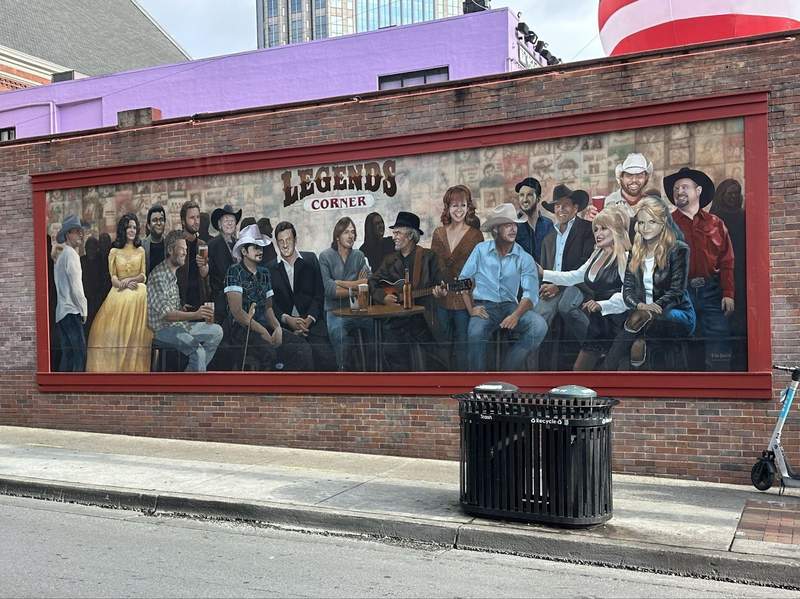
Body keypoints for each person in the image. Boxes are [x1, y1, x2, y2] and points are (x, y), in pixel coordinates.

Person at [604, 197, 696, 370]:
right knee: (632, 321)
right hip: (641, 312)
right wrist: (640, 305)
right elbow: (628, 290)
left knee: (636, 320)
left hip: (675, 313)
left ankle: (607, 372)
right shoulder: (636, 251)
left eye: (652, 222)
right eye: (641, 222)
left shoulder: (678, 249)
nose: (645, 228)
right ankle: (634, 353)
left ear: (662, 223)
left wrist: (652, 308)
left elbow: (677, 291)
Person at [540, 206, 630, 370]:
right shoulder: (597, 255)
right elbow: (573, 276)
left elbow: (628, 297)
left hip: (617, 324)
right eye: (595, 229)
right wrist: (543, 273)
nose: (598, 233)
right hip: (597, 324)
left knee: (611, 374)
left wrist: (603, 305)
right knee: (580, 371)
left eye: (604, 228)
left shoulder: (625, 258)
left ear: (617, 230)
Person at [460, 203, 548, 371]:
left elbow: (530, 296)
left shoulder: (524, 257)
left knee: (539, 326)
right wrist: (471, 309)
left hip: (510, 307)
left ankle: (508, 369)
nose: (513, 229)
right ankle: (477, 382)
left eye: (514, 224)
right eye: (508, 225)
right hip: (484, 306)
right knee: (475, 333)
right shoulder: (480, 250)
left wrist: (515, 315)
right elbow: (464, 280)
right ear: (496, 230)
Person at [666, 167, 735, 371]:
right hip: (679, 292)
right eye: (676, 188)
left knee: (719, 339)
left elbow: (727, 261)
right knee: (681, 343)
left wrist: (729, 293)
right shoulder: (666, 225)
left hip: (711, 292)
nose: (679, 191)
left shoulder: (716, 224)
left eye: (685, 187)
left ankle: (722, 389)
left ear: (698, 191)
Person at [223, 224, 312, 371]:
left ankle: (298, 390)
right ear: (244, 251)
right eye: (255, 247)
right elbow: (237, 312)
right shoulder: (234, 272)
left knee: (302, 347)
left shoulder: (265, 273)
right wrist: (262, 331)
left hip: (265, 325)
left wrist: (277, 328)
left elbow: (268, 308)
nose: (260, 251)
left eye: (261, 247)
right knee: (269, 353)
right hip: (242, 330)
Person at [369, 211, 447, 371]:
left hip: (423, 318)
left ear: (410, 236)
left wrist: (441, 292)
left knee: (434, 358)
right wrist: (383, 297)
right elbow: (372, 282)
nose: (393, 236)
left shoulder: (428, 257)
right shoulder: (390, 260)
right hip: (396, 320)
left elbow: (441, 283)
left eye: (398, 232)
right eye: (394, 232)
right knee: (391, 350)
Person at [147, 230, 223, 372]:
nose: (185, 253)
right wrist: (196, 315)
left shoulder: (172, 273)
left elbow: (169, 306)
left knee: (217, 331)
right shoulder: (159, 276)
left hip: (178, 325)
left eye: (186, 250)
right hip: (162, 330)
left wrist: (182, 308)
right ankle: (193, 386)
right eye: (182, 249)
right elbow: (167, 315)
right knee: (198, 351)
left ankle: (190, 377)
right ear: (170, 250)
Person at [85, 214, 152, 372]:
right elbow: (113, 277)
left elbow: (143, 275)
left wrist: (131, 280)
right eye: (129, 227)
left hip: (136, 289)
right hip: (119, 290)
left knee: (142, 290)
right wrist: (122, 283)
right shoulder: (114, 251)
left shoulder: (141, 250)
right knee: (102, 332)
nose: (132, 230)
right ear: (123, 229)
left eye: (134, 227)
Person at [267, 221, 337, 371]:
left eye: (288, 240)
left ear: (295, 240)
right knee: (301, 358)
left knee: (328, 361)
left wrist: (309, 320)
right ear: (277, 243)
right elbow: (271, 304)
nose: (285, 245)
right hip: (285, 328)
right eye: (281, 241)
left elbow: (319, 295)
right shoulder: (270, 268)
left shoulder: (310, 260)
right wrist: (288, 320)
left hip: (312, 324)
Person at [535, 184, 596, 351]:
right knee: (538, 318)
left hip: (578, 284)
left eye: (565, 205)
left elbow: (585, 264)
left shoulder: (586, 229)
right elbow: (545, 270)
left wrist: (559, 285)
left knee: (566, 306)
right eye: (557, 205)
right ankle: (538, 364)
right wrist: (546, 287)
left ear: (575, 208)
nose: (560, 209)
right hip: (554, 286)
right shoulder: (548, 238)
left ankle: (594, 346)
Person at [430, 186, 484, 370]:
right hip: (442, 298)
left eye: (463, 205)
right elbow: (434, 267)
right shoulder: (438, 233)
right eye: (454, 205)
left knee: (463, 344)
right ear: (447, 208)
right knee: (443, 344)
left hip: (464, 300)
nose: (459, 210)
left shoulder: (476, 235)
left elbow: (479, 271)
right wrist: (437, 289)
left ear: (469, 207)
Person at [319, 217, 372, 371]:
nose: (351, 236)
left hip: (358, 309)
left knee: (375, 328)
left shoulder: (359, 255)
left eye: (353, 232)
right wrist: (356, 287)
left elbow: (367, 283)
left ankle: (373, 373)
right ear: (337, 236)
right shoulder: (325, 256)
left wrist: (340, 282)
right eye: (346, 232)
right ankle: (343, 372)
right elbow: (329, 291)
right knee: (340, 336)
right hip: (335, 312)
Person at [710, 179, 747, 370]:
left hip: (742, 274)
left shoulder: (743, 216)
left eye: (736, 193)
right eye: (729, 193)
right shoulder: (714, 218)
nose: (733, 197)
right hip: (719, 275)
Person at [53, 215, 89, 372]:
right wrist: (84, 310)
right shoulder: (72, 256)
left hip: (61, 313)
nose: (80, 234)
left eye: (81, 231)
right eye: (76, 231)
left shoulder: (61, 256)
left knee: (67, 357)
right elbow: (76, 288)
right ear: (68, 234)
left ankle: (60, 391)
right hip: (72, 312)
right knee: (80, 355)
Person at [208, 203, 241, 324]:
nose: (230, 223)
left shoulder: (239, 244)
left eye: (232, 220)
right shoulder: (212, 244)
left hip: (239, 298)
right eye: (226, 220)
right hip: (220, 299)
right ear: (219, 224)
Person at [176, 200, 209, 310]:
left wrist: (204, 267)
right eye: (192, 218)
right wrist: (178, 302)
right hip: (182, 306)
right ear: (183, 221)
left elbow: (204, 275)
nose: (196, 221)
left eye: (198, 217)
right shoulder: (175, 244)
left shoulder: (202, 245)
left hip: (200, 304)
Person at [603, 153, 654, 223]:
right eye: (629, 175)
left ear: (646, 178)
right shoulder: (608, 202)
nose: (634, 180)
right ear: (621, 178)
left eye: (639, 175)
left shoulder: (652, 203)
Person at [512, 177, 551, 264]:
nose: (525, 199)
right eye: (521, 195)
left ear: (538, 198)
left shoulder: (548, 225)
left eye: (529, 195)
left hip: (545, 276)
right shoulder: (513, 226)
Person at [141, 204, 167, 275]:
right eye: (155, 220)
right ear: (149, 225)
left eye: (161, 220)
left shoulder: (170, 245)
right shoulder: (141, 246)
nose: (159, 223)